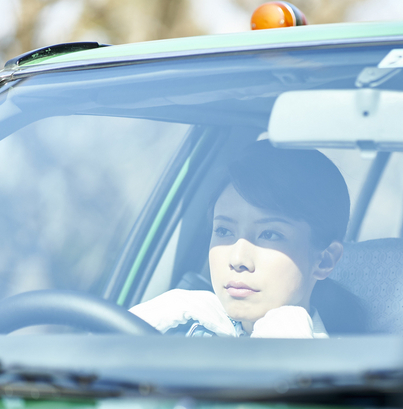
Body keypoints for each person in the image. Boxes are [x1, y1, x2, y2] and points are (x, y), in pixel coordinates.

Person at [130, 141, 360, 338]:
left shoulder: (345, 371)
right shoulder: (184, 323)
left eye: (269, 235)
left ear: (324, 260)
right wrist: (144, 321)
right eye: (223, 231)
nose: (238, 259)